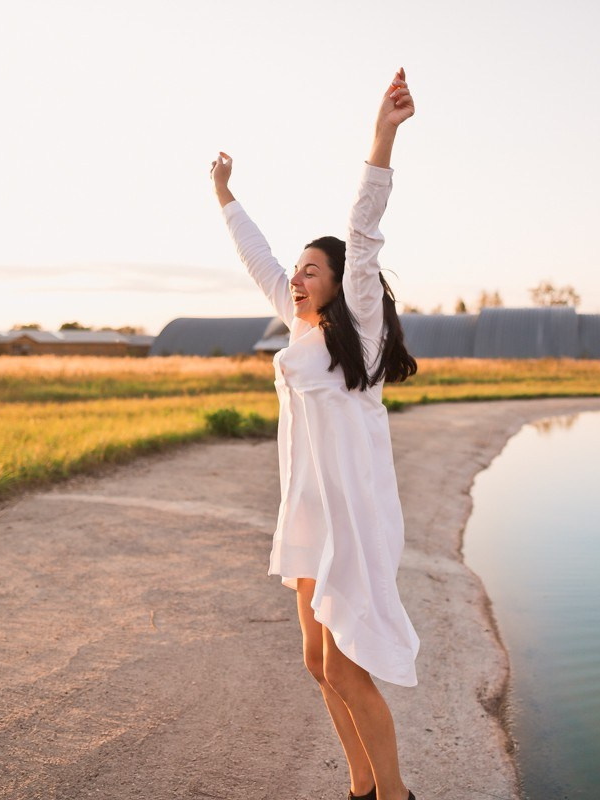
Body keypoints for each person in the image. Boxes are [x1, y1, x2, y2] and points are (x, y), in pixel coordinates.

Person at [210, 68, 420, 800]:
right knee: (313, 660)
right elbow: (259, 258)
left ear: (339, 283)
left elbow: (362, 233)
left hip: (350, 521)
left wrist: (382, 135)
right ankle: (360, 785)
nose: (297, 280)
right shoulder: (296, 320)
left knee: (345, 666)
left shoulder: (356, 336)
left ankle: (394, 796)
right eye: (297, 272)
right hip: (306, 513)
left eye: (311, 271)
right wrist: (227, 197)